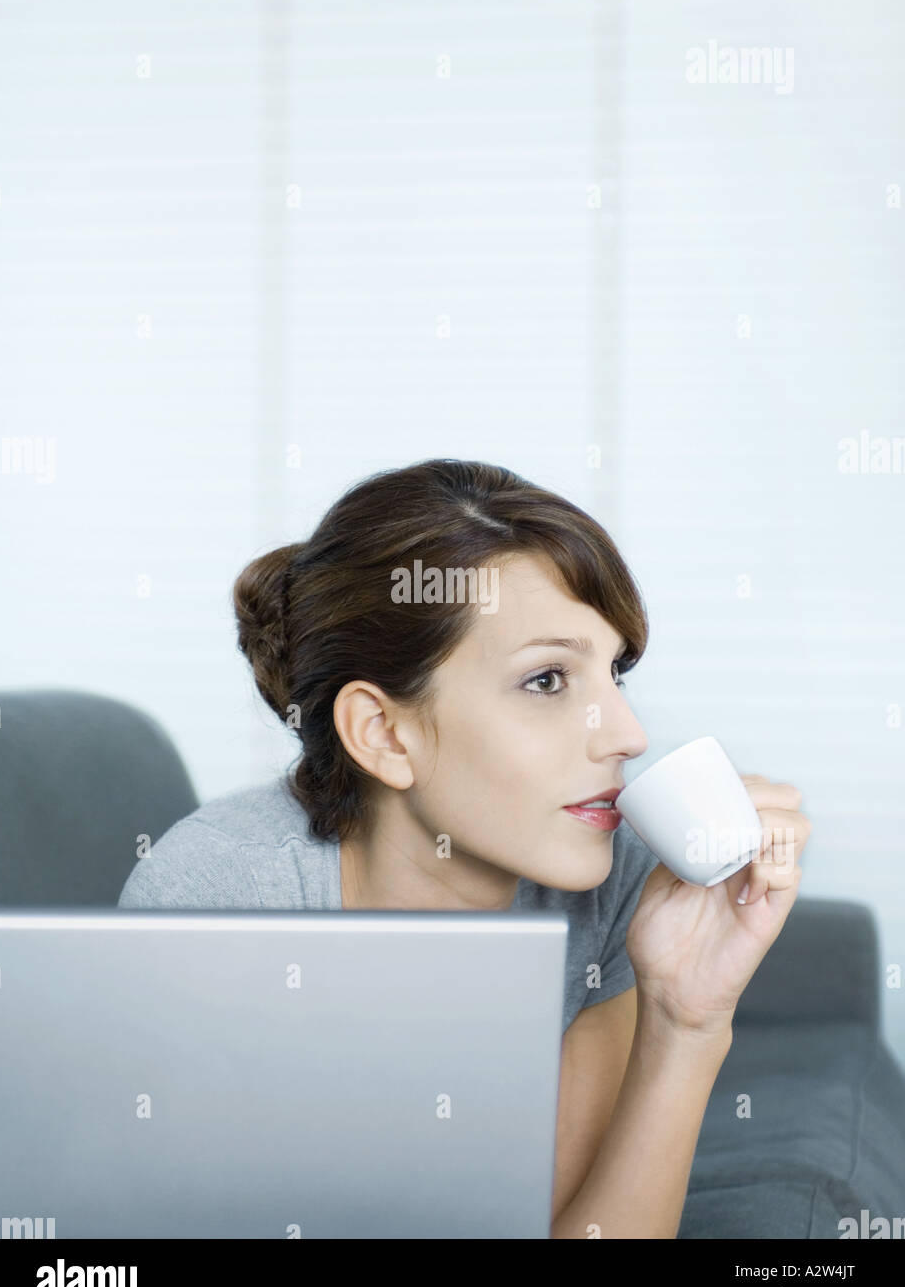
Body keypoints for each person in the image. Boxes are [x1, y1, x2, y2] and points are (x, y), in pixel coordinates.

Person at [118, 457, 811, 1238]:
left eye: (613, 672)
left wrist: (686, 1023)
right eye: (548, 680)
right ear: (384, 733)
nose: (627, 734)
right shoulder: (223, 890)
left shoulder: (614, 887)